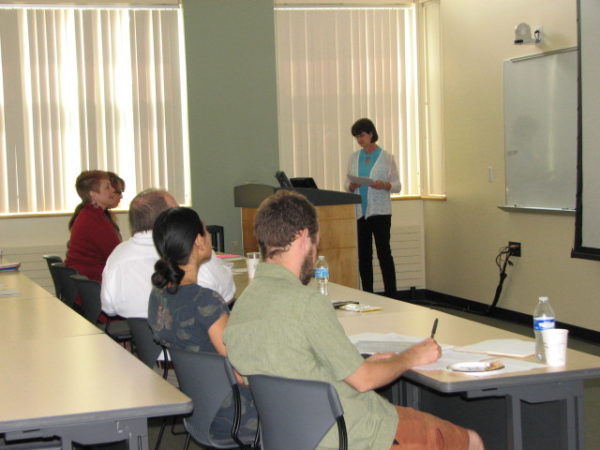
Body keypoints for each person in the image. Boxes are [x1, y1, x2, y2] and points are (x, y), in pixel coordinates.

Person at [224, 190, 483, 450]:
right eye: (316, 240)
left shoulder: (243, 304)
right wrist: (410, 357)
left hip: (288, 437)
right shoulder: (307, 303)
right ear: (303, 236)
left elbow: (264, 371)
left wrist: (359, 365)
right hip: (352, 434)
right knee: (471, 440)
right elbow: (364, 380)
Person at [148, 207, 257, 441]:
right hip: (236, 415)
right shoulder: (204, 301)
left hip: (199, 408)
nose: (208, 236)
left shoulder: (157, 295)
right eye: (206, 231)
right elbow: (240, 369)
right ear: (199, 240)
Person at [101, 188, 235, 318]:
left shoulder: (117, 256)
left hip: (141, 339)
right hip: (197, 336)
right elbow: (227, 294)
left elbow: (108, 308)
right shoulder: (190, 249)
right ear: (169, 217)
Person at [346, 118, 400, 298]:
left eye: (361, 135)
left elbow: (397, 185)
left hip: (380, 213)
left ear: (371, 133)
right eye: (357, 137)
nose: (359, 140)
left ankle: (392, 294)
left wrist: (384, 185)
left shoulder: (386, 157)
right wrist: (351, 186)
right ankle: (368, 294)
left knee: (384, 253)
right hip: (361, 213)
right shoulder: (354, 158)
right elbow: (346, 183)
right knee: (364, 256)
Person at [65, 170, 121, 282]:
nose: (113, 190)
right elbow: (117, 256)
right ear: (93, 195)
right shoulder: (94, 221)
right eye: (107, 187)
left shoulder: (88, 214)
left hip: (84, 284)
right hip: (93, 285)